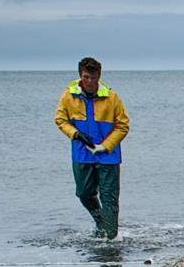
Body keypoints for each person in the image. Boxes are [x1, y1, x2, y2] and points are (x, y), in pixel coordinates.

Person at [55, 57, 130, 239]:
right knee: (83, 193)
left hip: (108, 156)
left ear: (99, 77)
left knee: (109, 199)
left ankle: (110, 240)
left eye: (93, 78)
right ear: (81, 76)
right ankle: (101, 224)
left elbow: (123, 126)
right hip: (82, 154)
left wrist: (106, 145)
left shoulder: (112, 98)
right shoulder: (68, 96)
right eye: (86, 77)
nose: (90, 82)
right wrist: (75, 134)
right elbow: (60, 120)